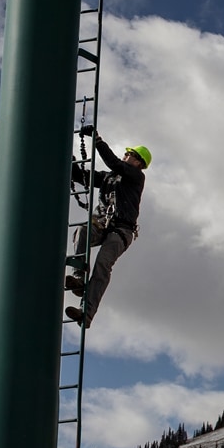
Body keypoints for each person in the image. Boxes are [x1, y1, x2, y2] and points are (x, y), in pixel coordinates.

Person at [64, 129, 151, 328]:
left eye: (131, 155)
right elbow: (83, 177)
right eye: (127, 153)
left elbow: (114, 163)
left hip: (121, 231)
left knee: (102, 265)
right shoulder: (109, 178)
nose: (126, 156)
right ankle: (78, 276)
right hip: (102, 224)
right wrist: (67, 160)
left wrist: (97, 141)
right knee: (83, 231)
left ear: (139, 163)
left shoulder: (136, 177)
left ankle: (86, 313)